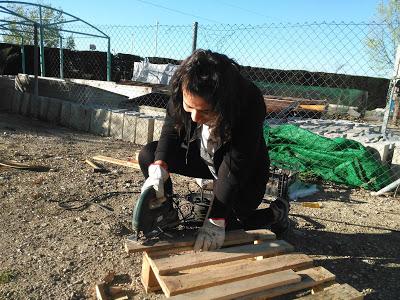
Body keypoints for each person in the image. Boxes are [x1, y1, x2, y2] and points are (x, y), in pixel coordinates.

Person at [138, 49, 289, 251]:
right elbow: (171, 130)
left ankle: (275, 213)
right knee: (149, 155)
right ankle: (167, 214)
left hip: (245, 172)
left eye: (205, 111)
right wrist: (160, 165)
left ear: (224, 103)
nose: (194, 118)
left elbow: (234, 167)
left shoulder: (249, 102)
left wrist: (216, 219)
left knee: (229, 228)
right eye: (189, 107)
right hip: (205, 157)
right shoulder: (184, 84)